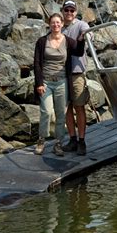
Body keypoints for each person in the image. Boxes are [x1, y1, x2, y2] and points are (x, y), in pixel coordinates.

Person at [34, 13, 85, 156]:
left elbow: (79, 52)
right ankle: (41, 140)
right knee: (46, 111)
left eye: (58, 23)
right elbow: (37, 63)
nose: (55, 25)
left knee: (61, 114)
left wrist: (80, 40)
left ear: (62, 24)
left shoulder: (68, 41)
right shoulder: (42, 41)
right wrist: (39, 83)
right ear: (49, 25)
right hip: (46, 82)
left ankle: (58, 143)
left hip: (62, 82)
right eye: (53, 23)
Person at [60, 0, 91, 155]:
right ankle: (72, 139)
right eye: (67, 10)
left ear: (76, 12)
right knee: (67, 108)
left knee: (79, 106)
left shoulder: (81, 25)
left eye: (72, 10)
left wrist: (85, 36)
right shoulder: (58, 28)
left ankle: (81, 141)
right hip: (62, 74)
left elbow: (88, 33)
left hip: (77, 74)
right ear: (62, 11)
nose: (69, 13)